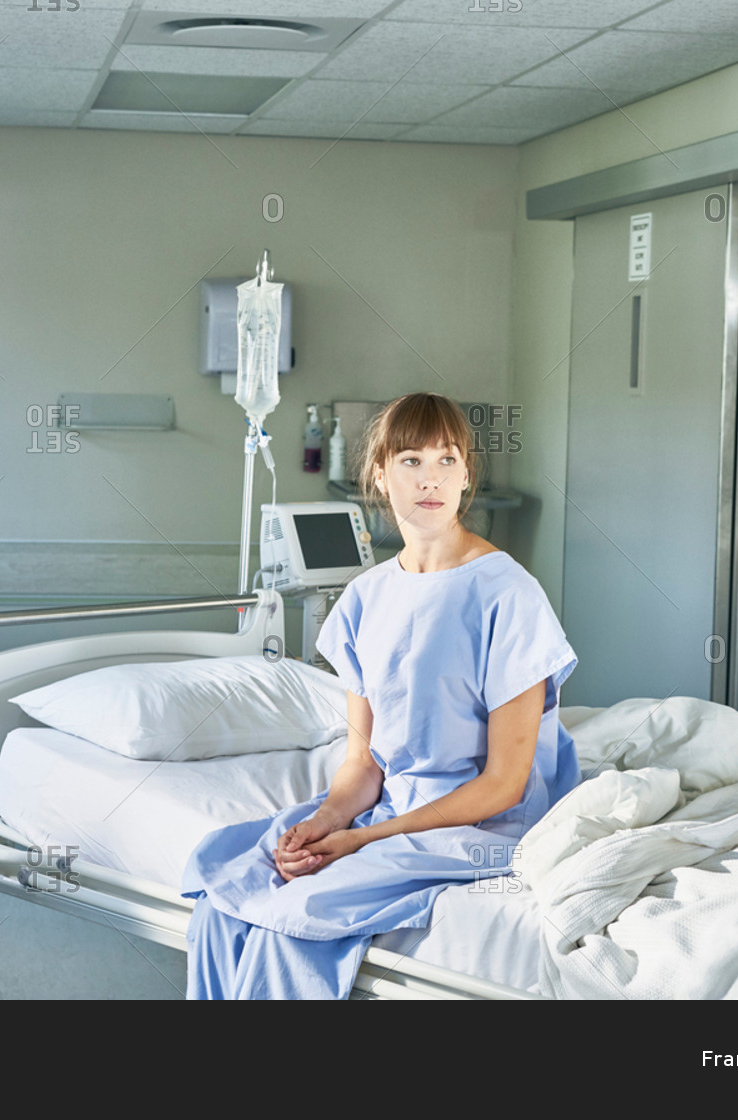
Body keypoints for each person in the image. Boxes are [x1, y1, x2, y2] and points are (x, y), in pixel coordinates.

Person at [181, 392, 580, 999]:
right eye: (411, 460)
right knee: (223, 901)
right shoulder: (366, 598)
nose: (431, 479)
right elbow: (364, 763)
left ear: (467, 473)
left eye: (447, 460)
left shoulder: (507, 594)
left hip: (486, 827)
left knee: (290, 926)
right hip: (393, 810)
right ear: (379, 474)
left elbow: (505, 783)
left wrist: (363, 841)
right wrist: (323, 823)